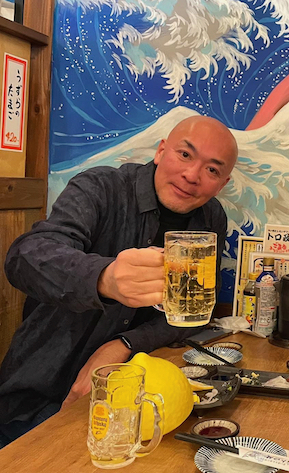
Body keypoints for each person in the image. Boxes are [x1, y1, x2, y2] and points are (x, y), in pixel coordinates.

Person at [0, 115, 238, 447]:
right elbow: (25, 256)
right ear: (161, 151)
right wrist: (104, 278)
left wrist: (123, 345)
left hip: (127, 399)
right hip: (40, 396)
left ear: (222, 184)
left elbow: (194, 310)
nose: (192, 175)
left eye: (212, 170)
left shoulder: (210, 219)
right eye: (185, 154)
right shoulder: (100, 187)